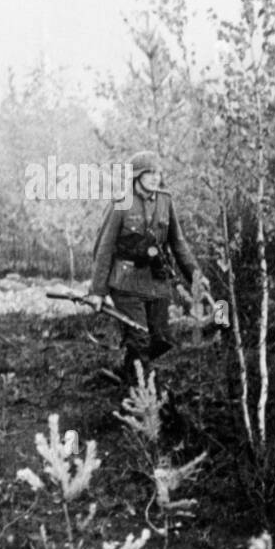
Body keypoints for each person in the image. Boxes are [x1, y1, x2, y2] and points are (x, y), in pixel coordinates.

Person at [87, 151, 202, 385]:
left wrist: (196, 276)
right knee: (139, 338)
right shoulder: (123, 202)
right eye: (148, 173)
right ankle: (145, 395)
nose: (154, 177)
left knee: (161, 339)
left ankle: (127, 373)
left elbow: (178, 243)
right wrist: (98, 292)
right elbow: (104, 248)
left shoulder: (165, 201)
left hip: (157, 281)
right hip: (126, 283)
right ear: (136, 176)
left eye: (157, 172)